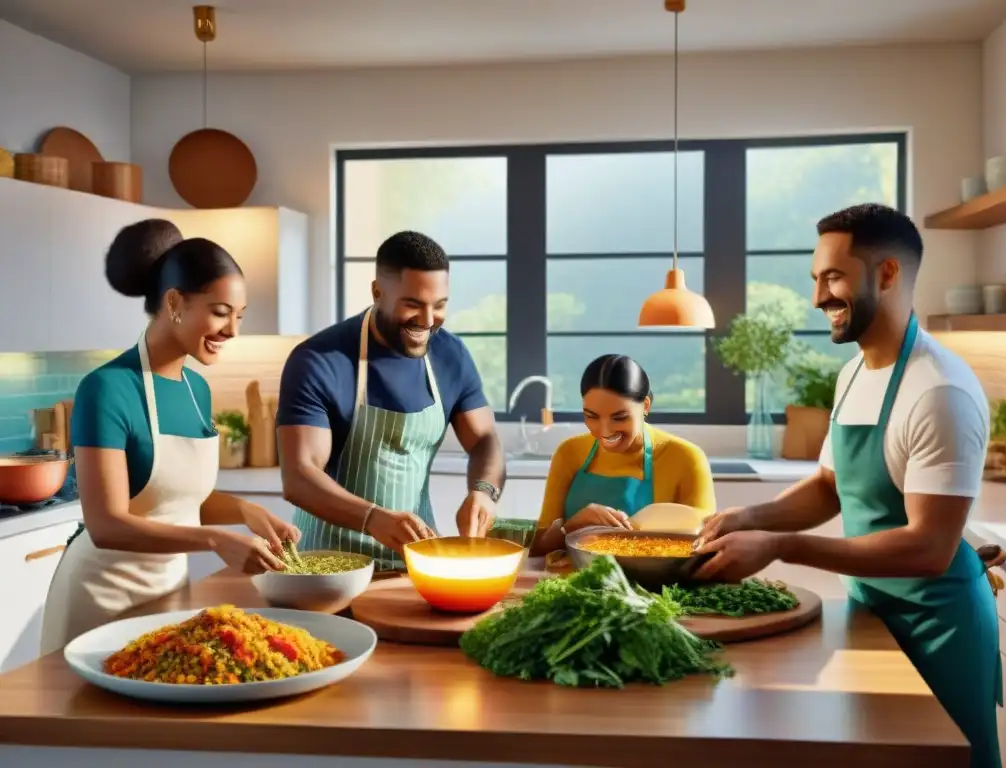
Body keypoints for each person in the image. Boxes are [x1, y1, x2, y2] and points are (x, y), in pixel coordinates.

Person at [695, 203, 1001, 768]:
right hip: (872, 614)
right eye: (816, 279)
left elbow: (930, 547)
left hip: (938, 629)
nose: (818, 298)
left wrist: (782, 546)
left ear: (886, 274)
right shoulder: (854, 372)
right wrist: (748, 518)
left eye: (833, 277)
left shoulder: (940, 391)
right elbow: (830, 489)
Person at [40, 219, 299, 655]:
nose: (232, 331)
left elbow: (174, 497)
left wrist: (244, 510)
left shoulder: (196, 389)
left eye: (239, 316)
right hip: (101, 599)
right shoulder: (107, 388)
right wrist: (215, 539)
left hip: (169, 595)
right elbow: (105, 525)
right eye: (220, 312)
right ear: (175, 302)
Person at [276, 230, 505, 572]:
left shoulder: (451, 355)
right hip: (327, 566)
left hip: (417, 560)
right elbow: (300, 477)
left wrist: (484, 492)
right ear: (377, 292)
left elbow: (485, 438)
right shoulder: (319, 360)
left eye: (439, 305)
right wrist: (372, 518)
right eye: (413, 304)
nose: (428, 321)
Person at [531, 354, 715, 555]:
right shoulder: (569, 453)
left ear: (645, 406)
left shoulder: (686, 459)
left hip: (653, 584)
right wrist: (573, 525)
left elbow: (706, 547)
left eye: (620, 417)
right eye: (591, 416)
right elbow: (539, 548)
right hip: (571, 580)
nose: (605, 431)